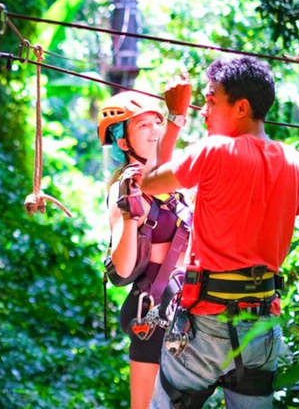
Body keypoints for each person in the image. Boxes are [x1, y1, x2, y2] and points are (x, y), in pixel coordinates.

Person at [142, 57, 299, 408]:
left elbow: (151, 182)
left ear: (241, 107)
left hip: (206, 322)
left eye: (212, 99)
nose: (204, 109)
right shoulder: (296, 163)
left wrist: (174, 117)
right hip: (261, 325)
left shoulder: (216, 151)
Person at [99, 78, 192, 409]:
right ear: (124, 142)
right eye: (143, 125)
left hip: (189, 308)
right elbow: (122, 269)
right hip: (152, 310)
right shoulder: (123, 190)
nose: (155, 131)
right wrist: (128, 216)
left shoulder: (174, 181)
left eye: (157, 122)